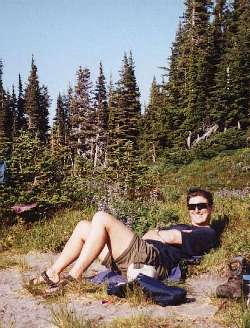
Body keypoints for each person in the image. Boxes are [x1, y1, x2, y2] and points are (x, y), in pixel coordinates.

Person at [31, 188, 217, 290]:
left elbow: (165, 236)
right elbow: (150, 235)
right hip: (141, 254)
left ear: (211, 208)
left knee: (102, 217)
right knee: (82, 227)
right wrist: (157, 234)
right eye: (192, 207)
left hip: (152, 258)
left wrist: (158, 234)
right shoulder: (184, 226)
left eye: (202, 206)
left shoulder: (207, 232)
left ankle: (73, 276)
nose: (197, 210)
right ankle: (53, 272)